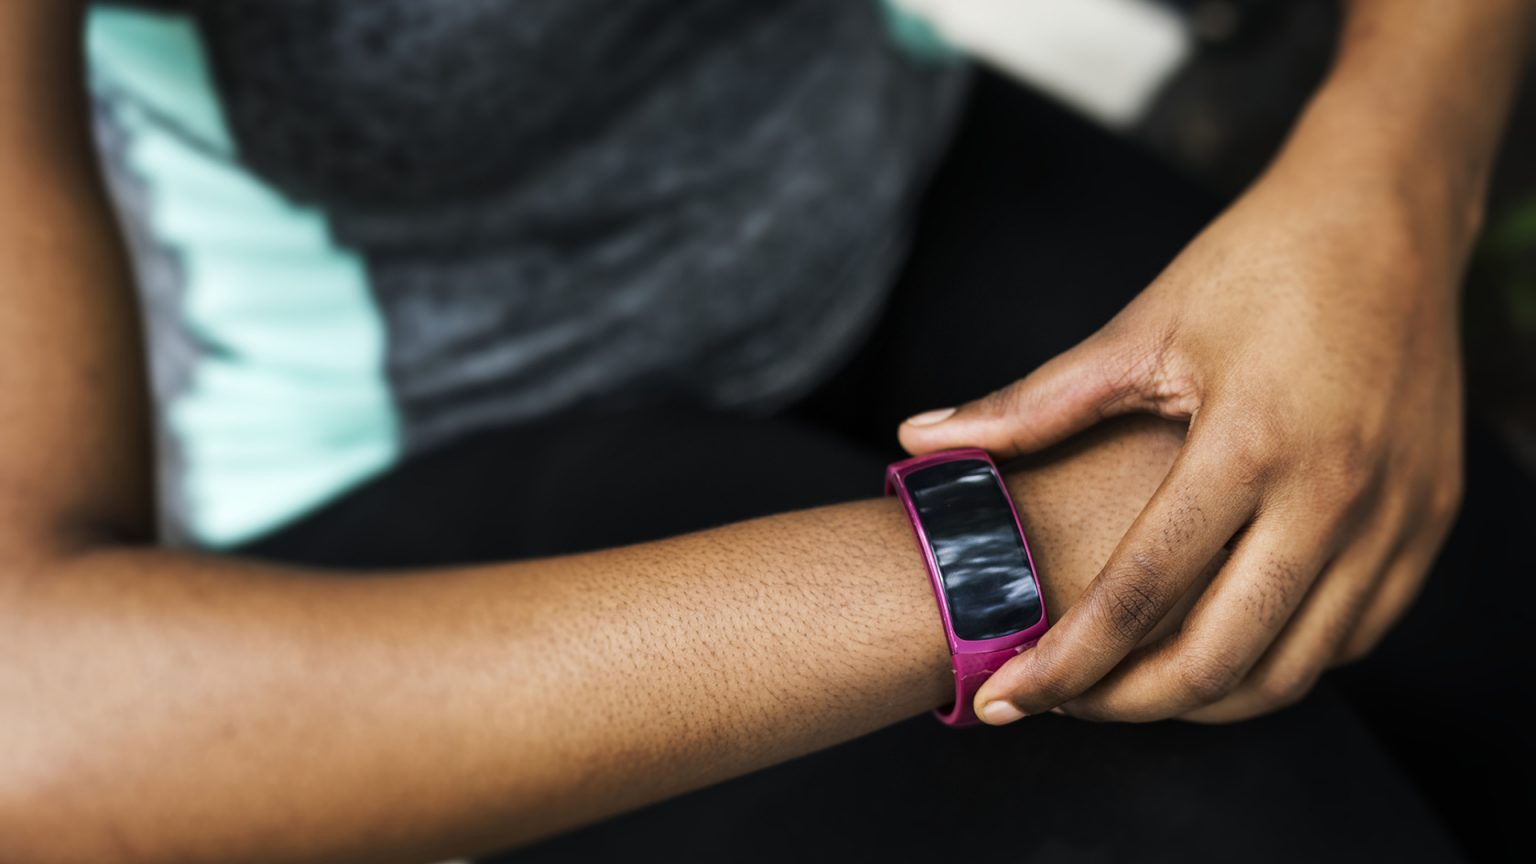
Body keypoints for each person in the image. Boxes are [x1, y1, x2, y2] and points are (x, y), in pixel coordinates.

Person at [0, 1, 1528, 862]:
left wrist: (1387, 186)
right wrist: (1034, 552)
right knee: (1237, 825)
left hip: (882, 157)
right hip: (449, 442)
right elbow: (34, 706)